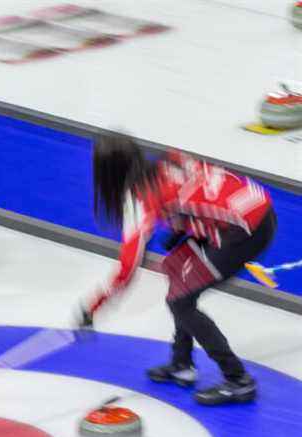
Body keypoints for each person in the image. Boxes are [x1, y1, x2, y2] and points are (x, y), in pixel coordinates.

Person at [78, 133, 276, 405]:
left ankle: (238, 379)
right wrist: (181, 228)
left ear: (107, 175)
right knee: (175, 270)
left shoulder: (141, 198)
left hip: (246, 230)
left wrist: (93, 306)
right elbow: (203, 194)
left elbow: (128, 268)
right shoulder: (169, 159)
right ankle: (182, 364)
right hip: (254, 209)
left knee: (181, 302)